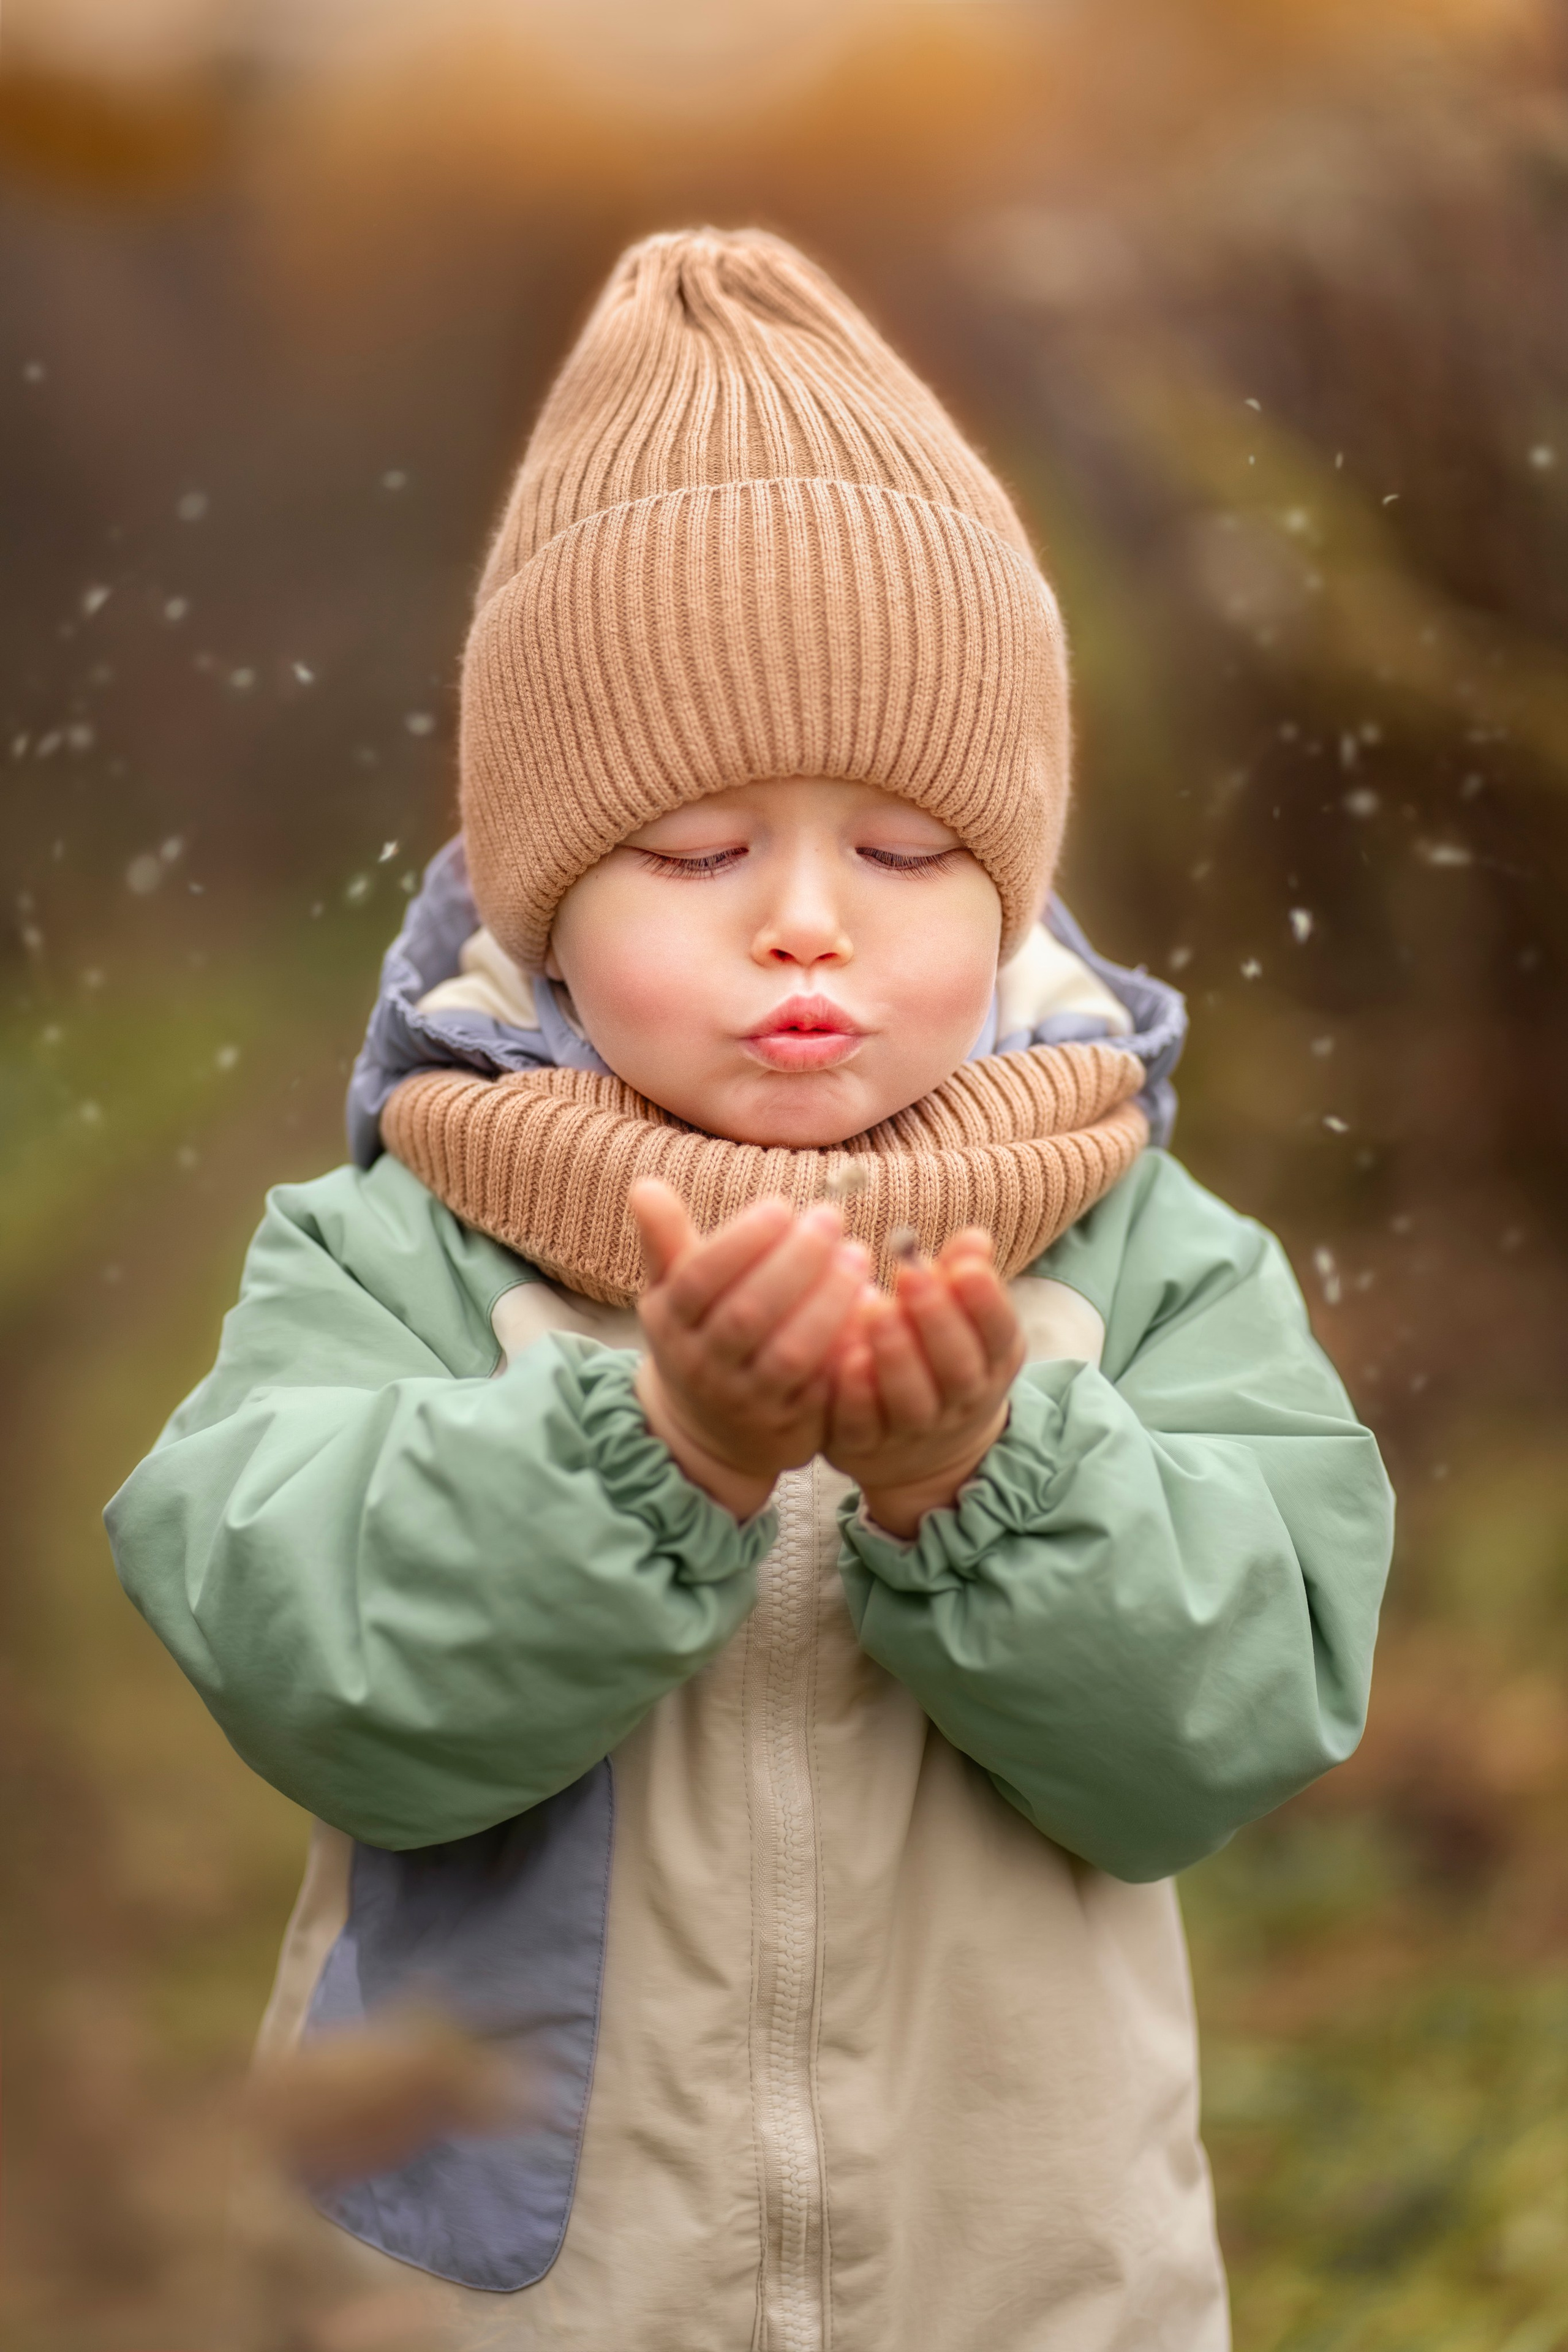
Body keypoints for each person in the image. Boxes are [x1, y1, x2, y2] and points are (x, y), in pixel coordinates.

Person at [107, 228, 1393, 2352]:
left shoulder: (1145, 1259)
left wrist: (986, 1479)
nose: (807, 921)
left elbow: (1224, 1728)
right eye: (700, 850)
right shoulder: (401, 1252)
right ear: (543, 896)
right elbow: (315, 1672)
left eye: (904, 851)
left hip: (1020, 2293)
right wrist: (657, 1455)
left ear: (1013, 887)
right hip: (526, 2307)